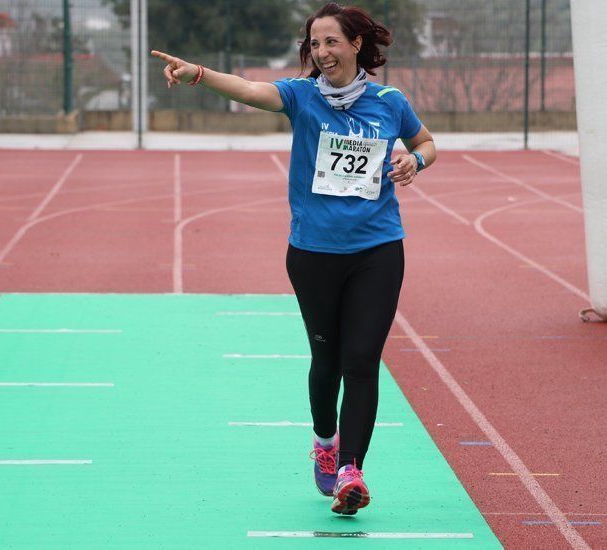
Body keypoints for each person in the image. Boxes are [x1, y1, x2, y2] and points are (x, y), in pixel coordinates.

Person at [151, 2, 435, 515]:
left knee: (362, 359)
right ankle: (325, 444)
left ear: (355, 45)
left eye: (331, 42)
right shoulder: (301, 97)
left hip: (378, 248)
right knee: (327, 361)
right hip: (313, 252)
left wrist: (413, 160)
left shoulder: (391, 101)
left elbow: (427, 142)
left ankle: (352, 469)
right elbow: (249, 90)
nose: (322, 52)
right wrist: (198, 74)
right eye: (314, 44)